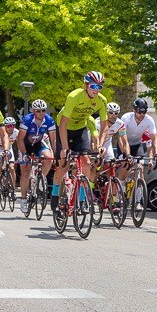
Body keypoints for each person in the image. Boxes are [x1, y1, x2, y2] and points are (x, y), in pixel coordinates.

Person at [52, 71, 107, 213]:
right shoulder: (74, 97)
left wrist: (100, 145)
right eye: (93, 86)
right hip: (65, 128)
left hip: (80, 128)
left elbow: (104, 125)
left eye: (100, 87)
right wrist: (65, 148)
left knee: (86, 162)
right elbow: (63, 125)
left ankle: (82, 200)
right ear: (86, 85)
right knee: (63, 164)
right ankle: (54, 195)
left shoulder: (101, 101)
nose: (96, 90)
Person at [17, 99, 56, 214]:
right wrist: (24, 154)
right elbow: (20, 139)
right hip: (26, 145)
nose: (41, 113)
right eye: (38, 111)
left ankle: (40, 180)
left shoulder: (49, 120)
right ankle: (23, 199)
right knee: (25, 171)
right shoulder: (27, 120)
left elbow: (53, 139)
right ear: (34, 111)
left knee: (48, 158)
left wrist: (55, 153)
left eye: (43, 110)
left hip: (39, 143)